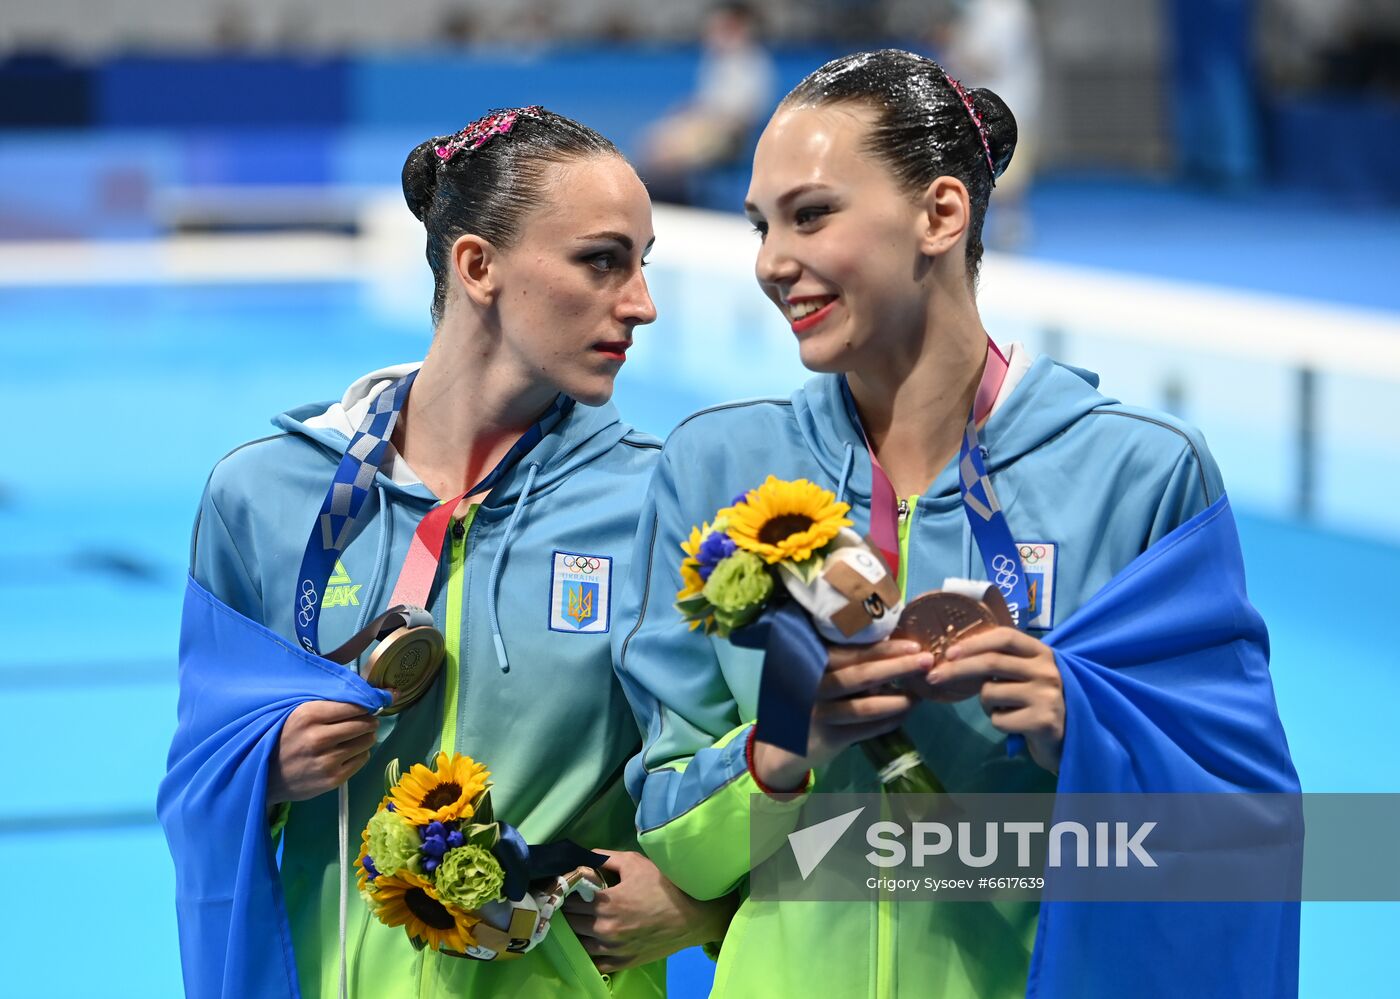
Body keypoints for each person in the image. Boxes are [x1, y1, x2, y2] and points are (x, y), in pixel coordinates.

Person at [612, 51, 1298, 997]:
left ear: (941, 214)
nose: (773, 261)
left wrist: (1085, 731)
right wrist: (779, 748)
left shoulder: (1136, 474)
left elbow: (1244, 826)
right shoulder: (718, 470)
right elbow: (666, 822)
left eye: (812, 215)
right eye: (761, 224)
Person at [162, 106, 734, 999]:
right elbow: (197, 771)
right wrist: (268, 770)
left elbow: (759, 777)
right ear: (478, 266)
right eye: (602, 261)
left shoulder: (665, 506)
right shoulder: (265, 496)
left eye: (642, 264)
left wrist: (709, 912)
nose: (642, 304)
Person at [640, 2, 776, 205]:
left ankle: (677, 203)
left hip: (730, 136)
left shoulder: (752, 64)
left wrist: (704, 127)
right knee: (653, 138)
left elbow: (746, 115)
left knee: (667, 151)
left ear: (736, 28)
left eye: (719, 27)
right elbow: (708, 101)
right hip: (707, 126)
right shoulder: (718, 60)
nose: (711, 34)